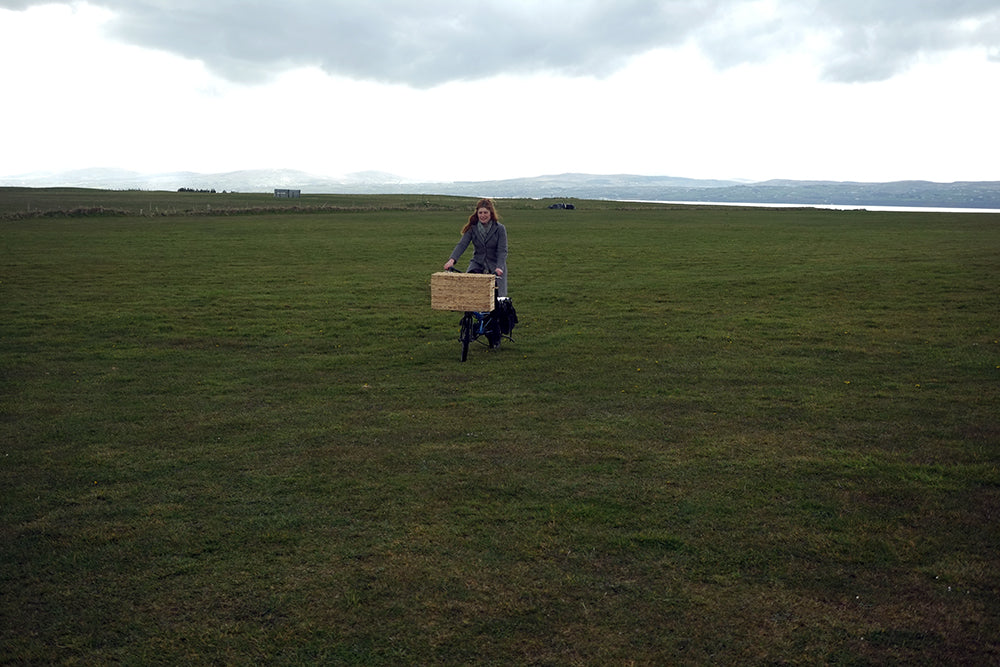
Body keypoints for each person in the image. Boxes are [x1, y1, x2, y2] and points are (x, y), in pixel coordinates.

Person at [443, 198, 508, 297]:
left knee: (497, 300)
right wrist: (452, 260)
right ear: (477, 213)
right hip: (477, 264)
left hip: (495, 267)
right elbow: (462, 244)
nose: (483, 215)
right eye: (480, 212)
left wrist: (499, 267)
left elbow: (502, 250)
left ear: (491, 213)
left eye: (485, 212)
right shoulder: (472, 228)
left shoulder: (499, 229)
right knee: (470, 295)